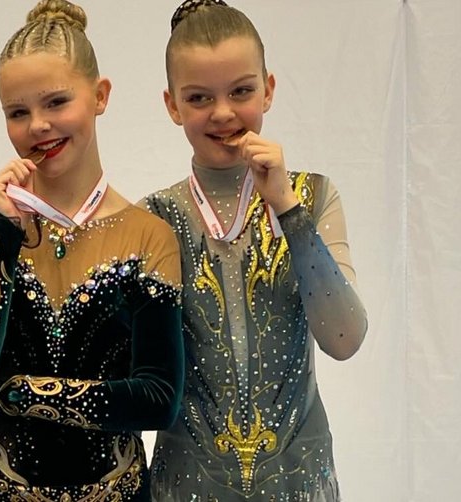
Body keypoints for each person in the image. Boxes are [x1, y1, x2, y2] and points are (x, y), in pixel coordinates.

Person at [0, 1, 185, 499]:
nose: (38, 125)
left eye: (56, 102)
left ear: (100, 95)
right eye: (18, 112)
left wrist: (16, 394)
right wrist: (5, 242)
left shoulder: (148, 235)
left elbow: (158, 400)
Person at [140, 1, 368, 500]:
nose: (223, 112)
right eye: (199, 97)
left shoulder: (313, 196)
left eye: (241, 91)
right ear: (172, 105)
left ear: (268, 88)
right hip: (188, 484)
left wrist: (288, 209)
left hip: (297, 481)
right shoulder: (152, 219)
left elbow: (345, 338)